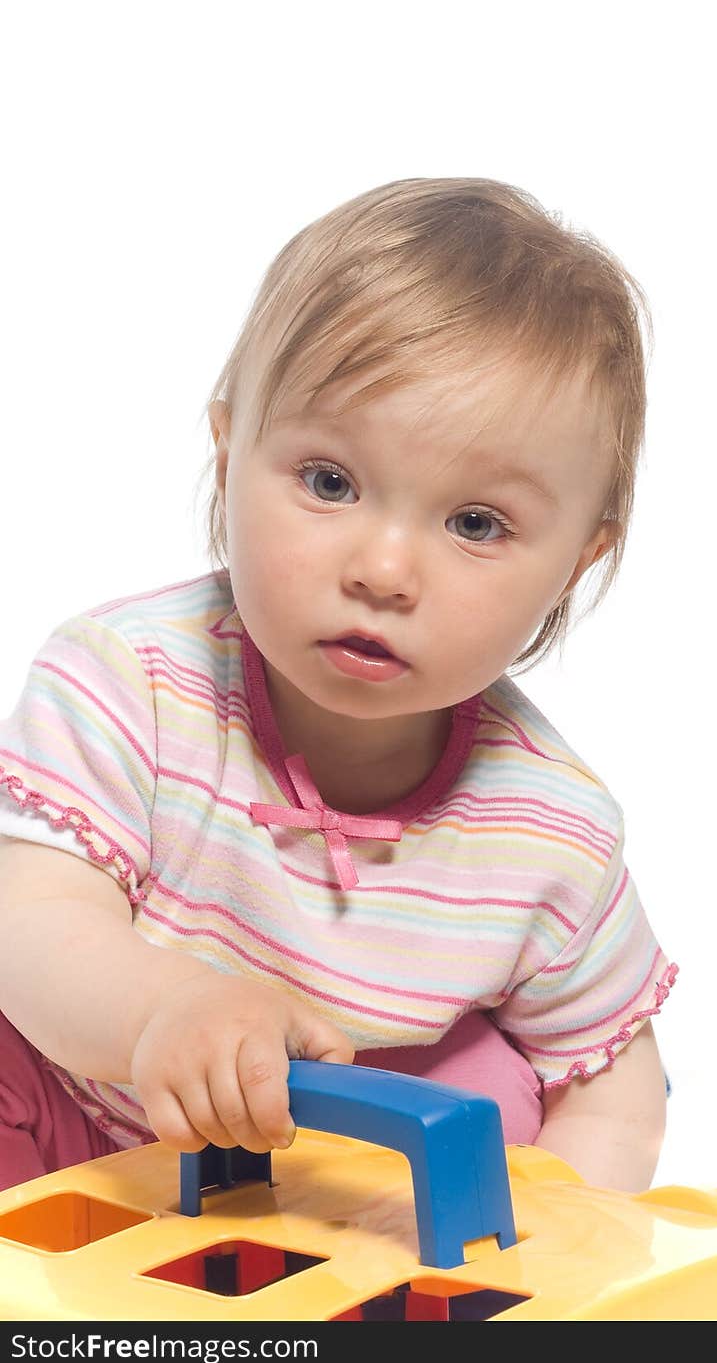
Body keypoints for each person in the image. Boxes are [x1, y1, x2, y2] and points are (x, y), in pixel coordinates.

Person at [0, 177, 677, 1198]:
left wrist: (566, 1262)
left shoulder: (551, 833)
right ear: (230, 459)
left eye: (476, 524)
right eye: (328, 482)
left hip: (330, 1192)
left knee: (507, 1092)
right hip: (85, 1139)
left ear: (575, 563)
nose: (383, 568)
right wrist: (162, 1010)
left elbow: (617, 1092)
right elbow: (33, 922)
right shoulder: (129, 681)